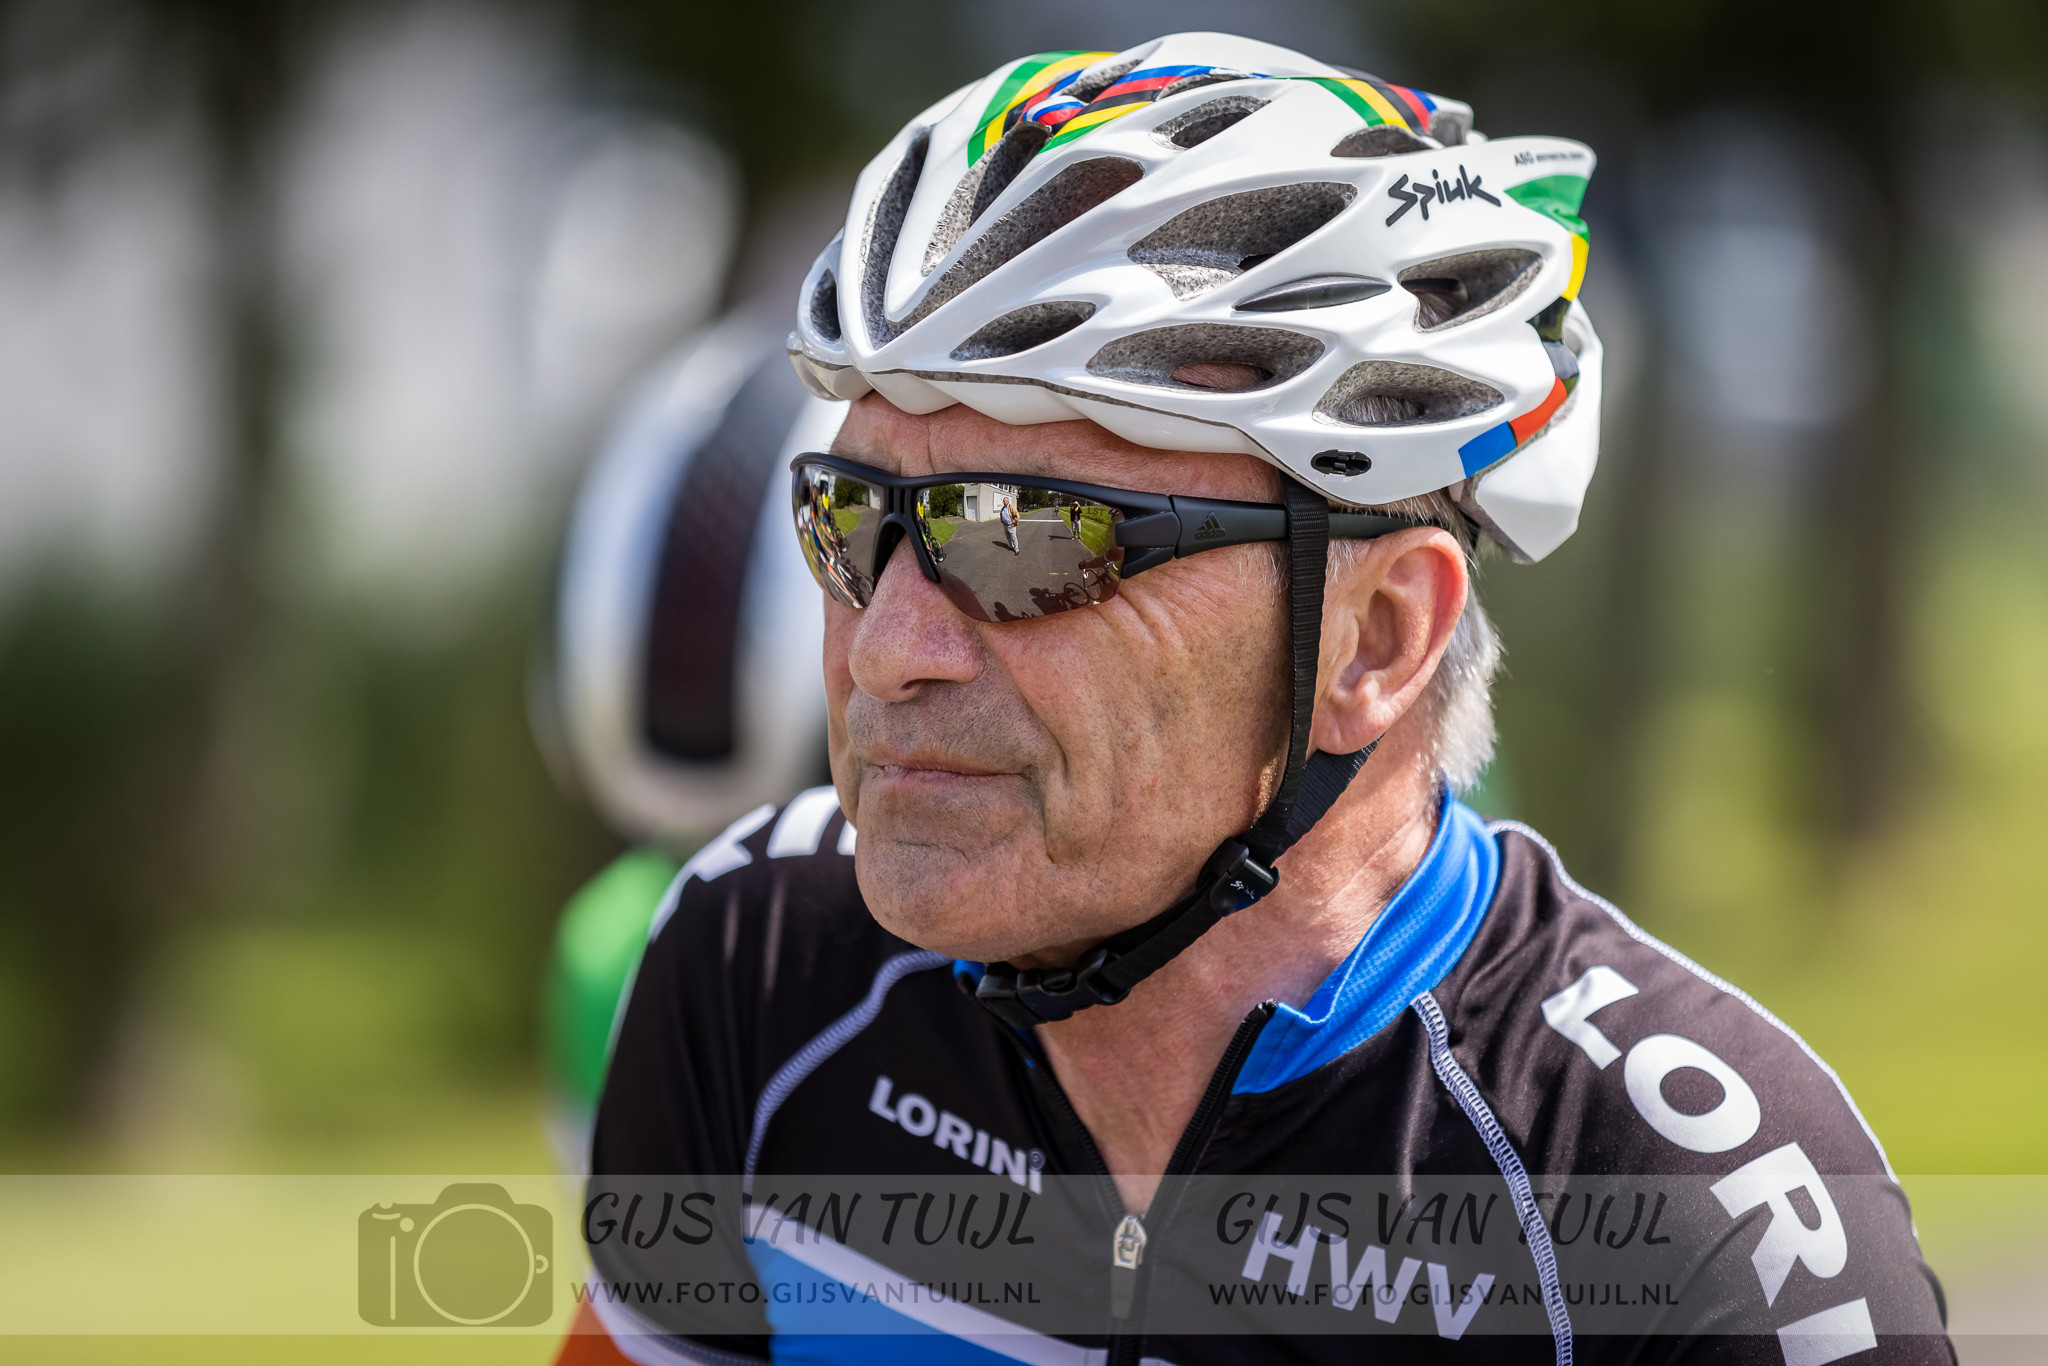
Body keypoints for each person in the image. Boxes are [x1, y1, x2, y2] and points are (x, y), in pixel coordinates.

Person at [561, 33, 1951, 1366]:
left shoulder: (1694, 1218)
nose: (887, 649)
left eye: (1027, 538)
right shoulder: (760, 962)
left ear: (1375, 639)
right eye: (851, 519)